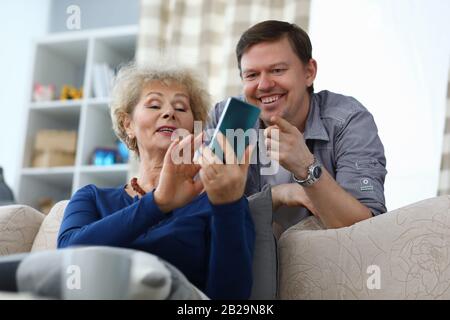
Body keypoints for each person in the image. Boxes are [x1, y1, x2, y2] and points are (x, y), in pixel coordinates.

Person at [57, 62, 255, 300]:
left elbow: (230, 302)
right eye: (154, 104)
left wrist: (227, 207)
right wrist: (157, 202)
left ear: (195, 128)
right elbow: (66, 260)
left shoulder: (221, 201)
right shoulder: (92, 197)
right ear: (127, 124)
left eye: (181, 108)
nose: (169, 113)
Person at [207, 20, 387, 234]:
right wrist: (277, 195)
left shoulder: (348, 120)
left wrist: (306, 168)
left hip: (327, 259)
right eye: (252, 75)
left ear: (309, 72)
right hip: (249, 259)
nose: (264, 85)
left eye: (277, 70)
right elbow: (204, 216)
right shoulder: (228, 118)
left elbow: (368, 229)